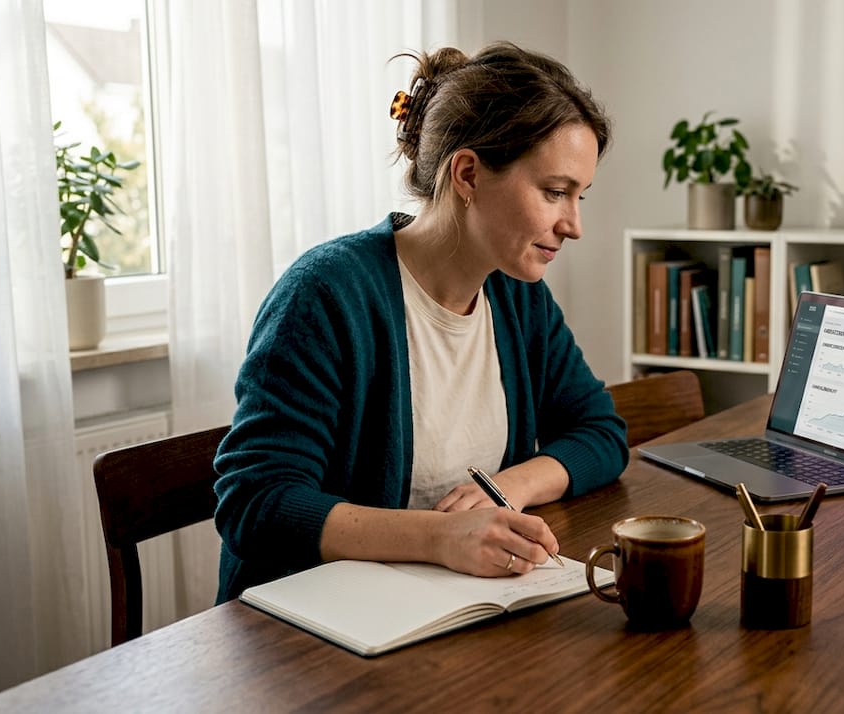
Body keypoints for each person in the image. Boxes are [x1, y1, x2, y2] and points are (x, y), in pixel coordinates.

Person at [212, 42, 628, 603]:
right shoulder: (327, 294)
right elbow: (255, 501)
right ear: (468, 174)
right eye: (555, 192)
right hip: (310, 630)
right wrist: (442, 537)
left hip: (449, 608)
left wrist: (509, 488)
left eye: (580, 196)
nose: (573, 225)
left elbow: (600, 431)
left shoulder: (517, 297)